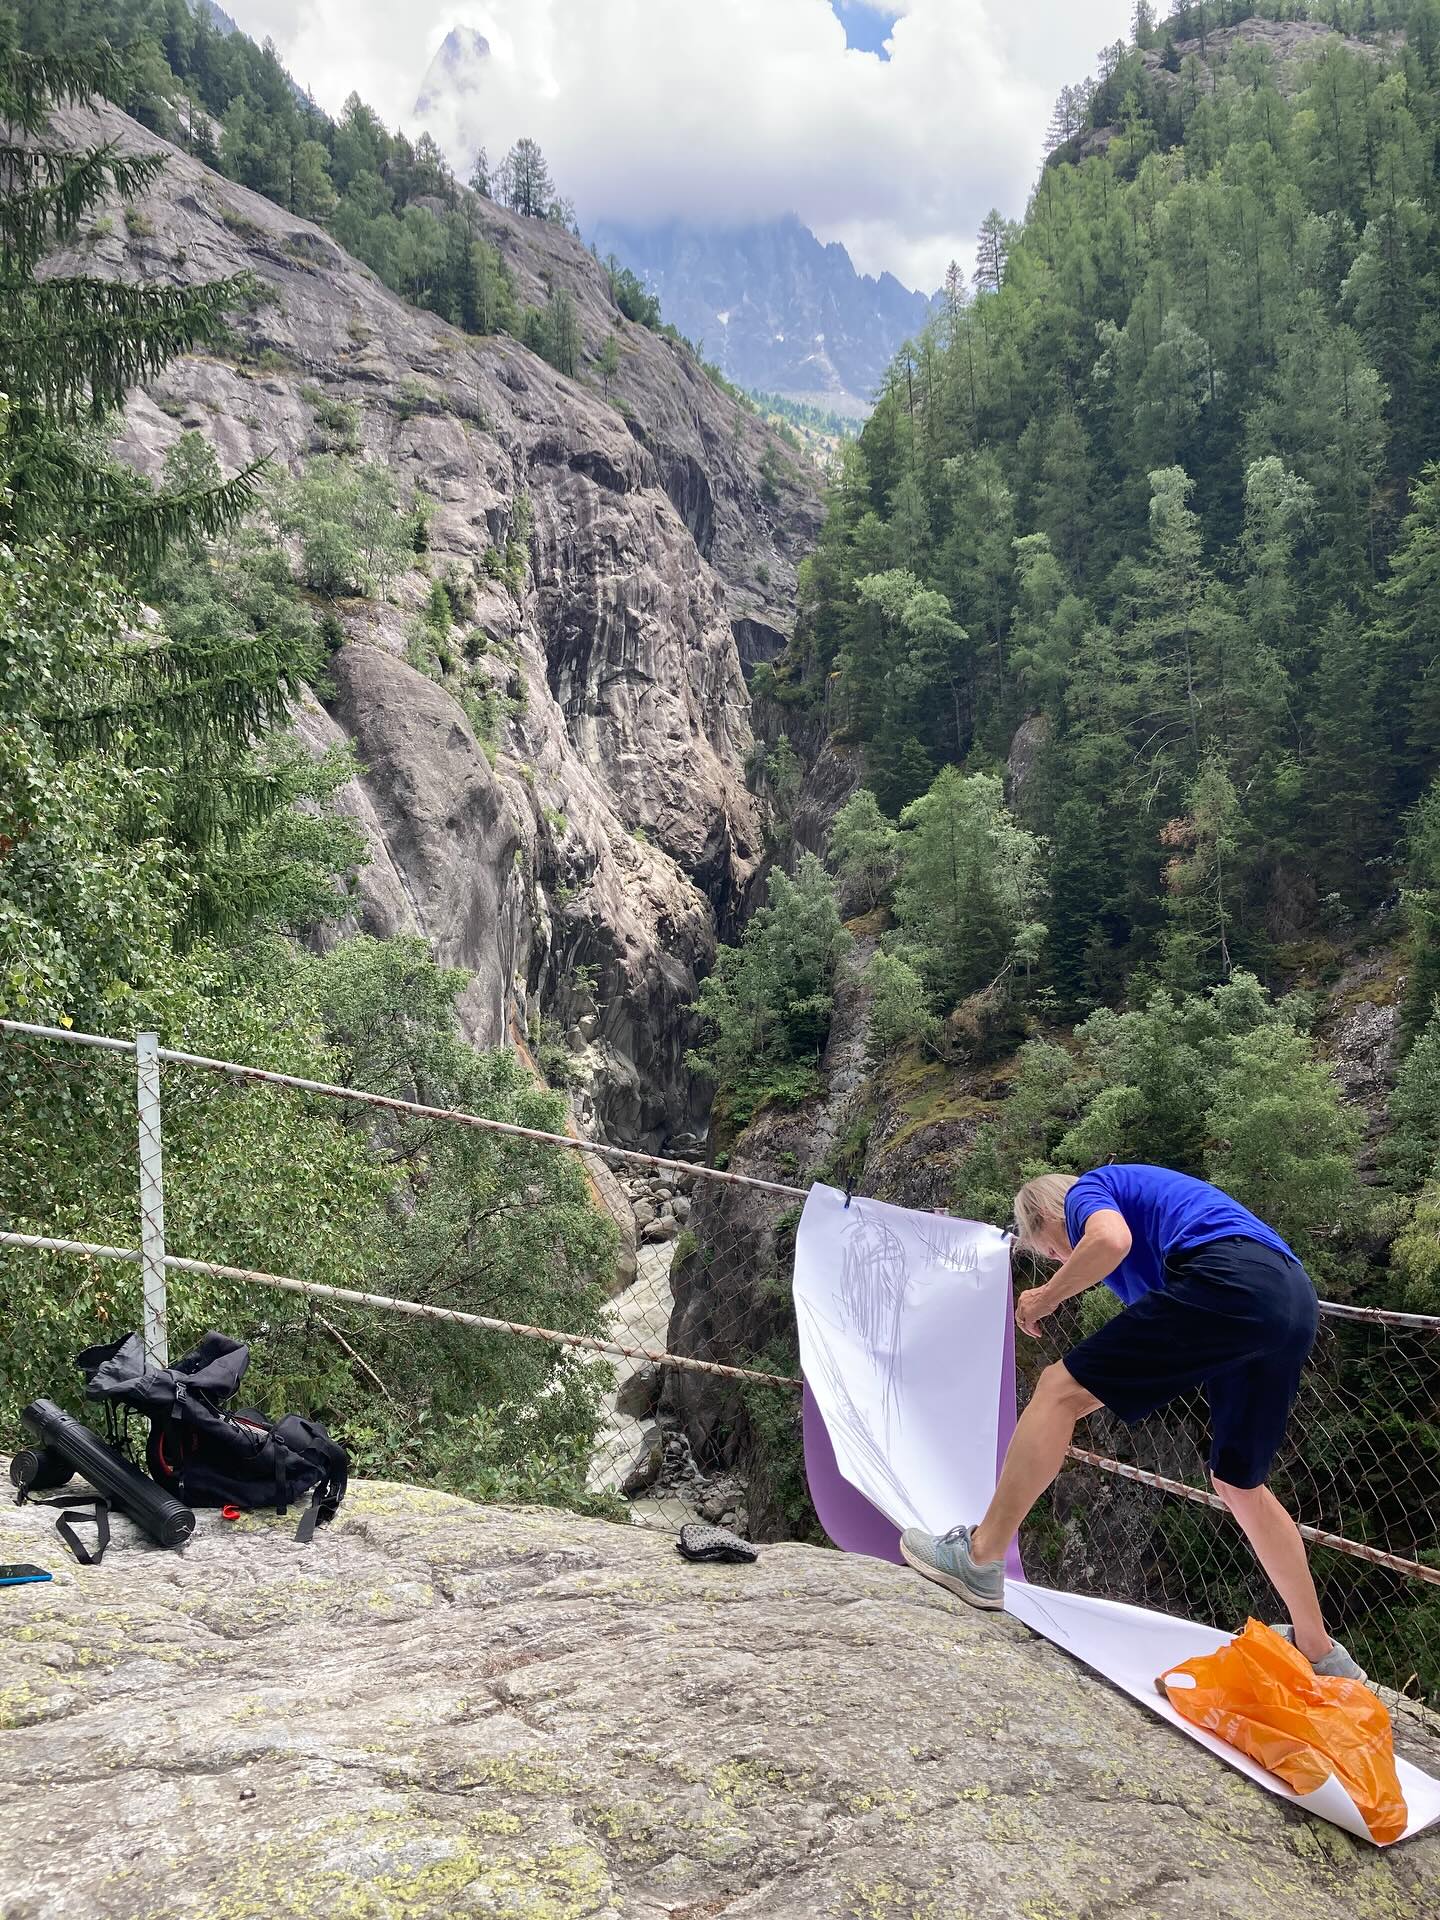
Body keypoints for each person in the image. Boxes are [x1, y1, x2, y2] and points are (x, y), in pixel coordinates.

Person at [899, 1163, 1365, 1680]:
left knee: (1056, 1388)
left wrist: (1045, 1297)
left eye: (1052, 1249)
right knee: (1238, 1482)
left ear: (1047, 1214)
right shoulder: (1150, 1255)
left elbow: (1109, 1240)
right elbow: (1161, 1342)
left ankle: (980, 1558)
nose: (1058, 1257)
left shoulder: (1087, 1192)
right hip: (1293, 1300)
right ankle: (1321, 1652)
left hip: (1231, 1279)